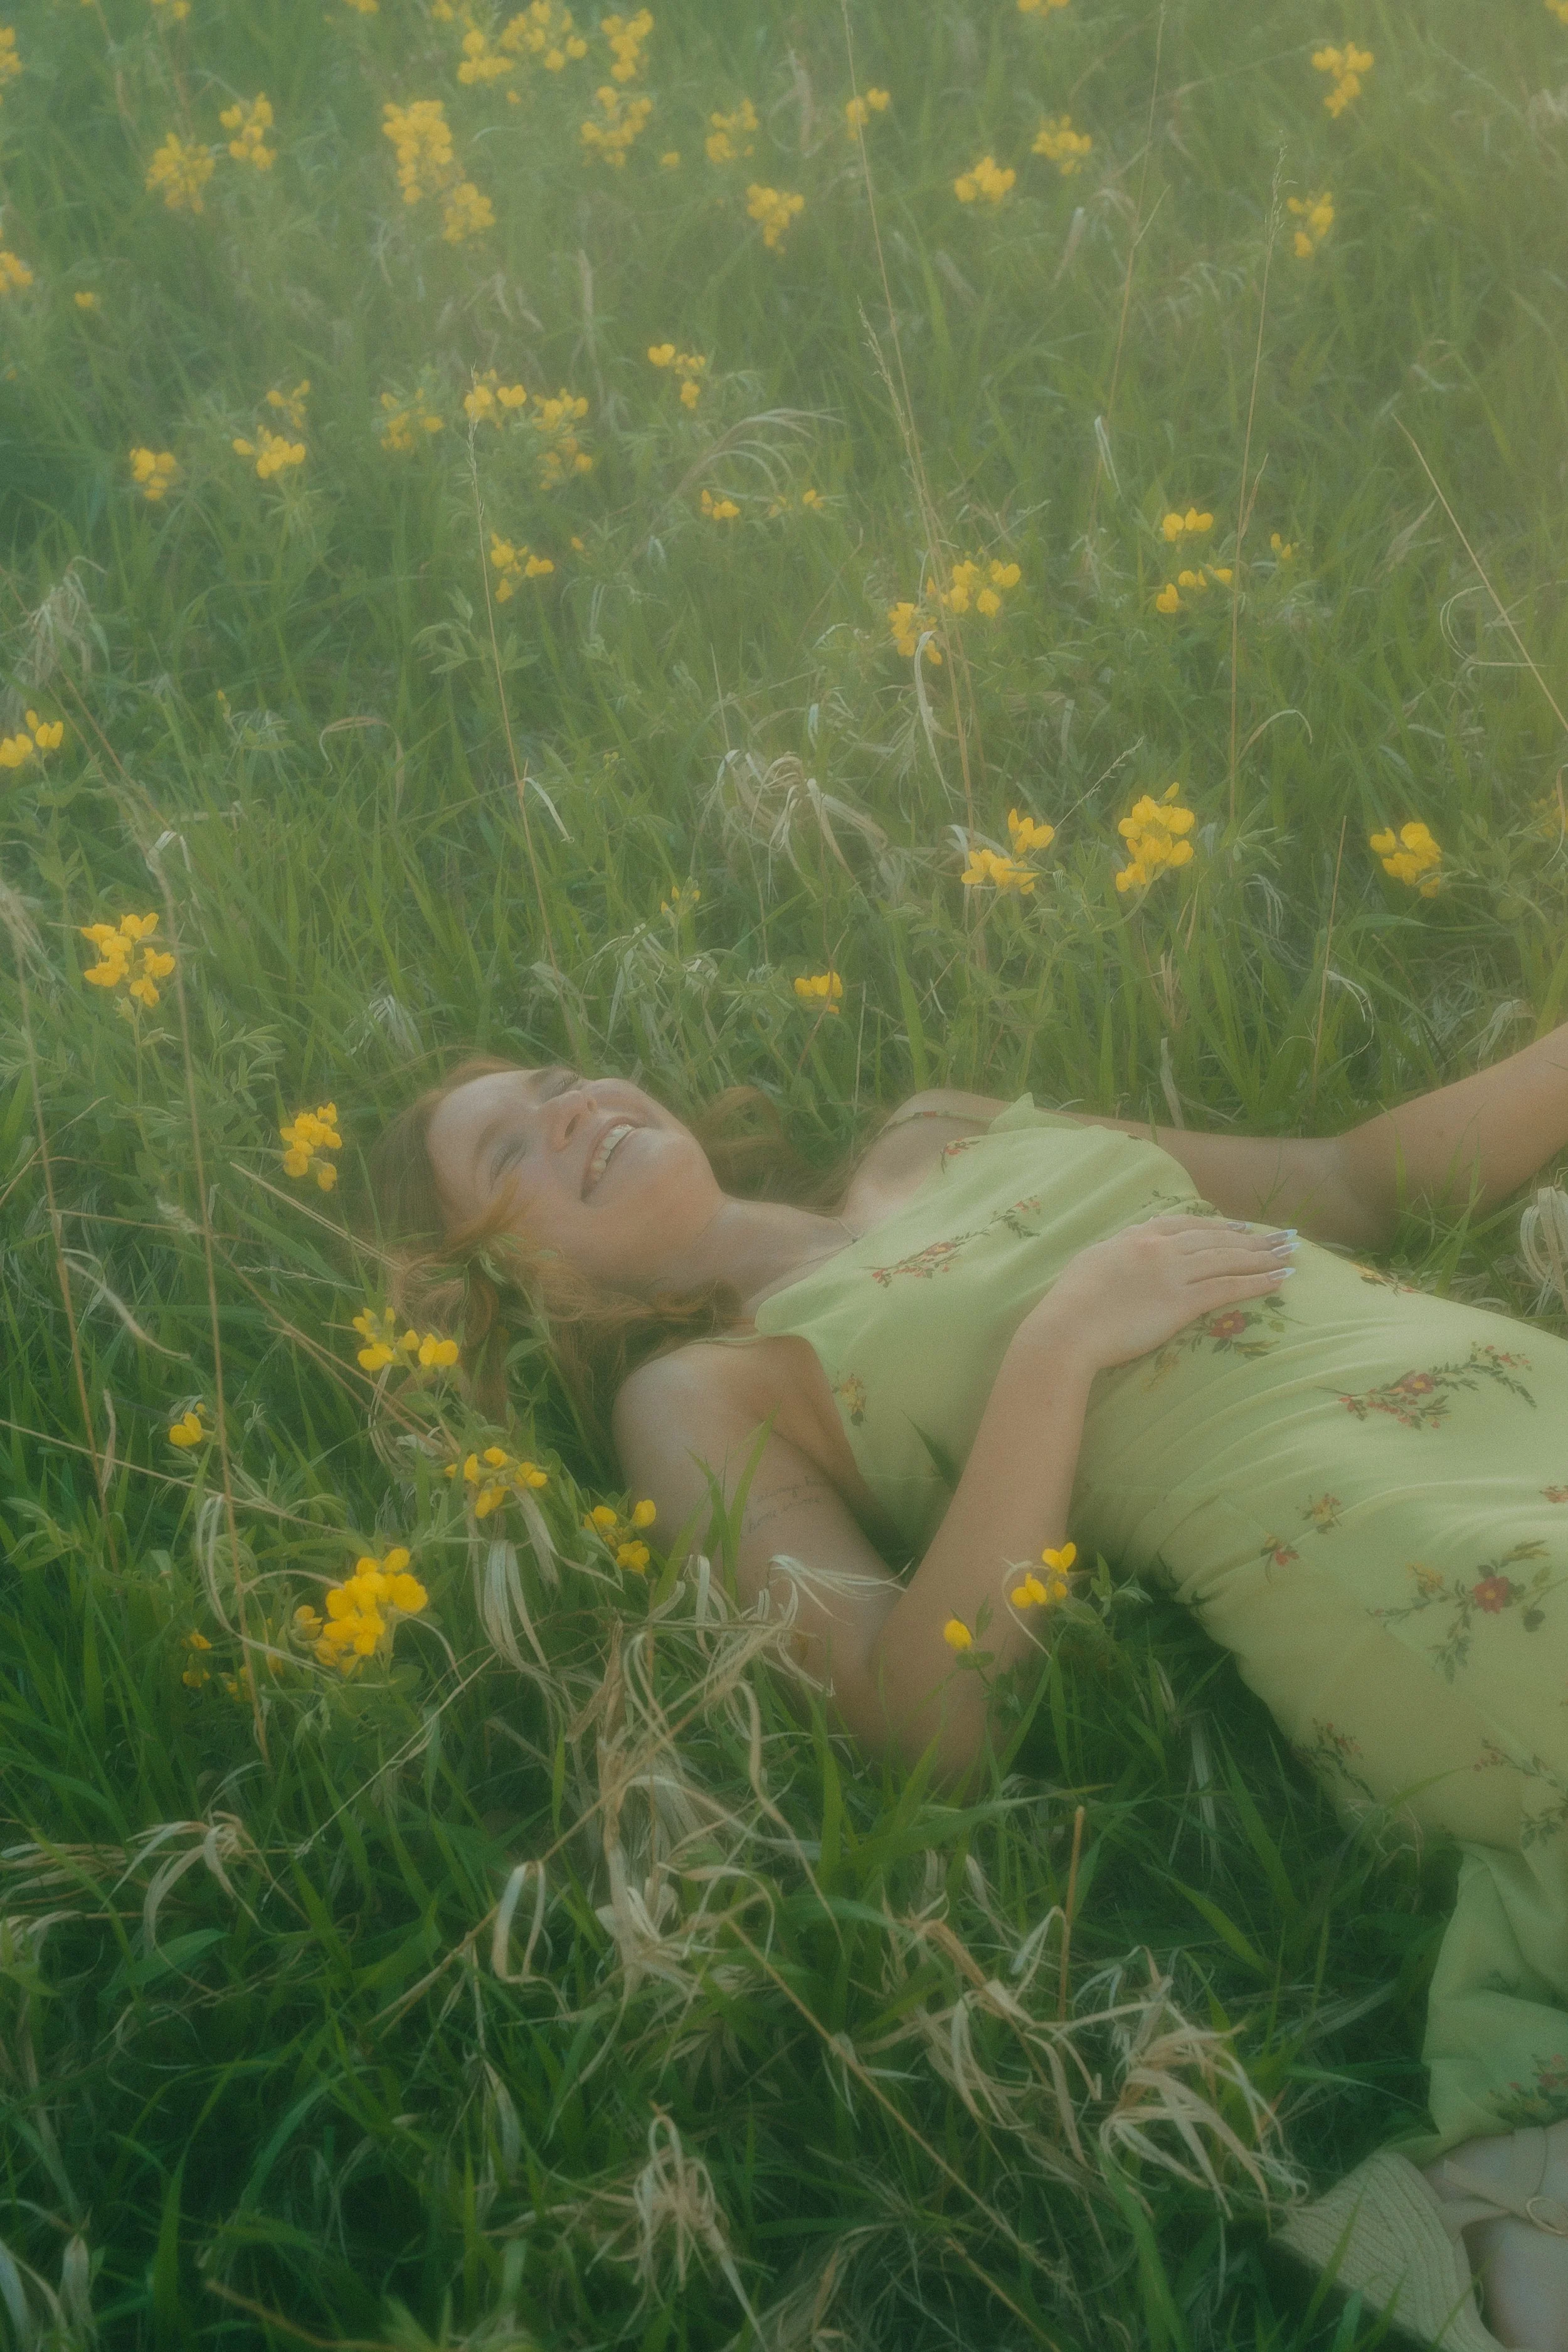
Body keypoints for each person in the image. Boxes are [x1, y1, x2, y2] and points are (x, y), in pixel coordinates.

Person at [370, 1028, 1568, 2352]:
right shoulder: (694, 1395)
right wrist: (1057, 1345)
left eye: (554, 1085)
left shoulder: (935, 1126)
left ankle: (1508, 2218)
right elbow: (918, 1723)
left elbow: (1345, 1182)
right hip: (1371, 1543)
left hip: (1518, 1407)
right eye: (506, 1151)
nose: (569, 1110)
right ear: (491, 1279)